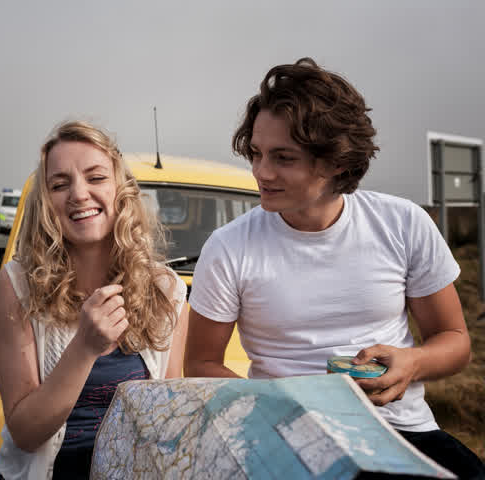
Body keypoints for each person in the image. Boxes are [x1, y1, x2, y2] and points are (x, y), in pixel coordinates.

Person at [185, 58, 485, 479]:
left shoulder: (403, 223)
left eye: (283, 158)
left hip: (400, 430)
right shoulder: (229, 246)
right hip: (282, 437)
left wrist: (413, 362)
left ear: (337, 161)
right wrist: (279, 403)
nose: (261, 172)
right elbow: (200, 365)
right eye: (255, 153)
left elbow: (456, 342)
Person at [0, 120, 188, 480]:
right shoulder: (18, 284)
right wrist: (84, 347)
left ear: (121, 190)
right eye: (59, 184)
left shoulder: (167, 290)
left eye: (96, 178)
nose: (79, 194)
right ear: (45, 202)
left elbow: (167, 416)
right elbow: (25, 434)